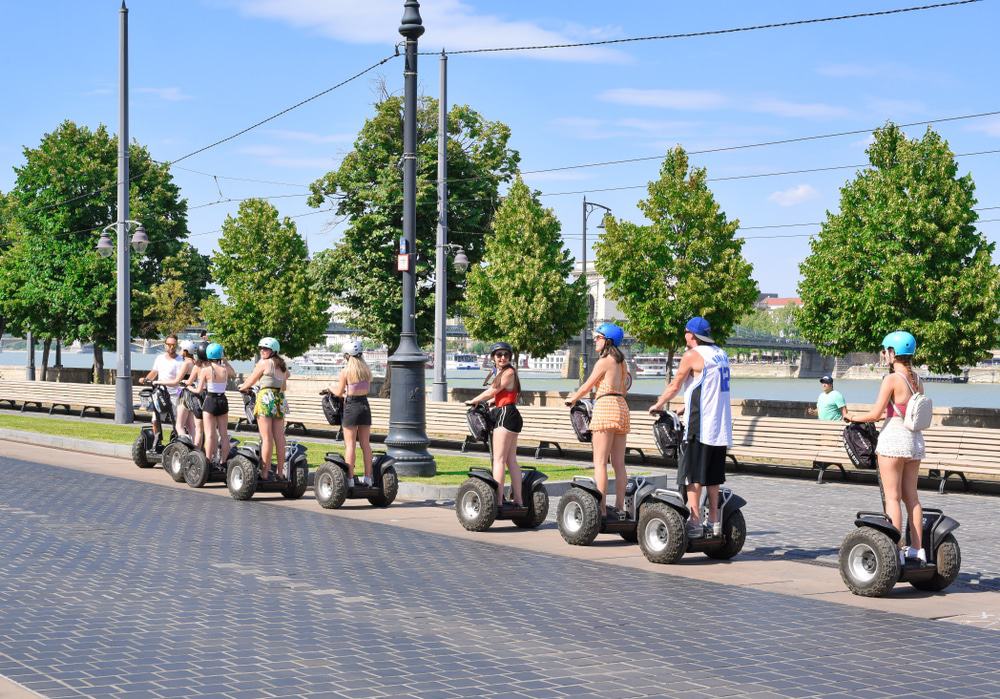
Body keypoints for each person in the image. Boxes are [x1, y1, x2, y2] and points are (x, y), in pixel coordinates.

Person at [846, 331, 926, 564]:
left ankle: (896, 551)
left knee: (892, 498)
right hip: (914, 441)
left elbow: (876, 413)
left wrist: (851, 416)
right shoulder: (918, 380)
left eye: (885, 350)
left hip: (893, 440)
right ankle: (917, 550)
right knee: (912, 499)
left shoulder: (891, 379)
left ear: (893, 352)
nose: (883, 354)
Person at [649, 317, 732, 539]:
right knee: (713, 476)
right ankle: (714, 521)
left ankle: (694, 522)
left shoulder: (691, 355)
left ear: (691, 335)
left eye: (685, 331)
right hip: (720, 425)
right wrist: (686, 406)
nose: (683, 335)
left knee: (692, 474)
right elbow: (709, 386)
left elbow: (675, 384)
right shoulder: (721, 354)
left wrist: (658, 405)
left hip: (700, 425)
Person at [565, 323, 630, 517]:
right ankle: (619, 507)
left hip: (605, 407)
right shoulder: (622, 362)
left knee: (600, 462)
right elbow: (625, 389)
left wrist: (573, 398)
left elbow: (587, 385)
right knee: (619, 463)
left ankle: (600, 509)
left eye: (598, 337)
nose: (595, 340)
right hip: (621, 407)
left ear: (607, 340)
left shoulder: (604, 361)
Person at [467, 342, 523, 507]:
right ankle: (518, 500)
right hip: (510, 413)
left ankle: (498, 501)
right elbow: (501, 395)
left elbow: (492, 390)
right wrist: (492, 402)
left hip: (505, 415)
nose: (502, 357)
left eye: (506, 354)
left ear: (510, 357)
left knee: (498, 460)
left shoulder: (508, 372)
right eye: (499, 355)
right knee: (510, 460)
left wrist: (474, 400)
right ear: (493, 357)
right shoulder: (505, 372)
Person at [238, 337, 289, 481]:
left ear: (273, 351)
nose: (262, 351)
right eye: (261, 348)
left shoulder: (264, 363)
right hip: (279, 399)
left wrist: (242, 387)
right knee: (279, 438)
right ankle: (280, 473)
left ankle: (265, 473)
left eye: (265, 349)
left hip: (266, 398)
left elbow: (250, 381)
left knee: (266, 438)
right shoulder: (282, 366)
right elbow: (284, 386)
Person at [330, 340, 374, 487]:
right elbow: (365, 390)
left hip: (352, 407)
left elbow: (339, 393)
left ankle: (349, 479)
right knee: (365, 445)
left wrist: (330, 388)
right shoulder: (366, 371)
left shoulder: (346, 372)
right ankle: (368, 477)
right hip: (365, 406)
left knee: (350, 445)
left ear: (348, 356)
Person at [190, 342, 236, 467]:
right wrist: (224, 360)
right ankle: (223, 461)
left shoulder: (206, 370)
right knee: (224, 434)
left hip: (210, 401)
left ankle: (208, 461)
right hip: (223, 401)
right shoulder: (225, 370)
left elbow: (199, 390)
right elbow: (234, 373)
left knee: (209, 434)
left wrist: (190, 388)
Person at [140, 334, 184, 442]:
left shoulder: (180, 361)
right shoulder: (159, 358)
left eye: (173, 345)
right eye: (168, 344)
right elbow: (154, 372)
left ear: (176, 345)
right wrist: (145, 379)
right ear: (165, 345)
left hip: (175, 395)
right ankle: (157, 440)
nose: (171, 347)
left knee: (177, 422)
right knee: (155, 420)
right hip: (160, 394)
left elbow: (178, 379)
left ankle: (177, 441)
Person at [157, 340, 197, 439]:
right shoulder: (194, 362)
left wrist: (159, 382)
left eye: (180, 349)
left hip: (184, 394)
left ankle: (183, 447)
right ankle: (195, 447)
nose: (179, 351)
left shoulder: (186, 363)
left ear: (185, 351)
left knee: (179, 425)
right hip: (192, 393)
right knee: (190, 425)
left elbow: (176, 382)